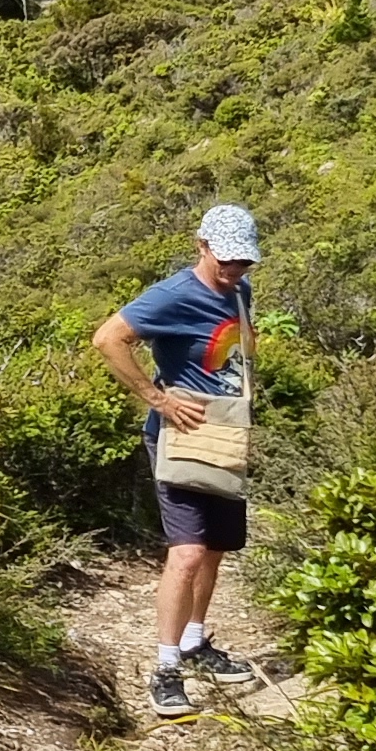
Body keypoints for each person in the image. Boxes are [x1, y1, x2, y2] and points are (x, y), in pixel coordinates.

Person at [92, 203, 264, 718]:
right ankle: (165, 668)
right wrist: (157, 397)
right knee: (187, 553)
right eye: (227, 259)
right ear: (203, 246)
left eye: (245, 261)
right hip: (183, 436)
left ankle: (194, 643)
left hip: (226, 435)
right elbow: (108, 338)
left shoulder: (239, 291)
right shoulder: (173, 294)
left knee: (214, 549)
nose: (235, 269)